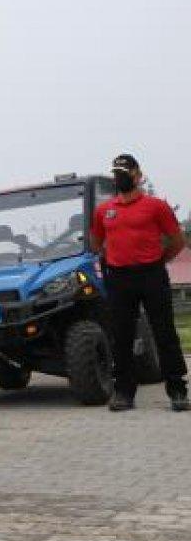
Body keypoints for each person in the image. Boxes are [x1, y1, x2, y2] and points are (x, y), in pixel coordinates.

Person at [90, 154, 188, 412]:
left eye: (124, 171)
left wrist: (158, 261)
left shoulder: (156, 206)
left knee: (164, 332)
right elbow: (95, 244)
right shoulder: (104, 211)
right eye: (116, 172)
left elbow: (177, 241)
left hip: (152, 275)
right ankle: (123, 392)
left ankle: (177, 389)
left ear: (137, 174)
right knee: (121, 336)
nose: (119, 176)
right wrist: (111, 258)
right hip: (120, 279)